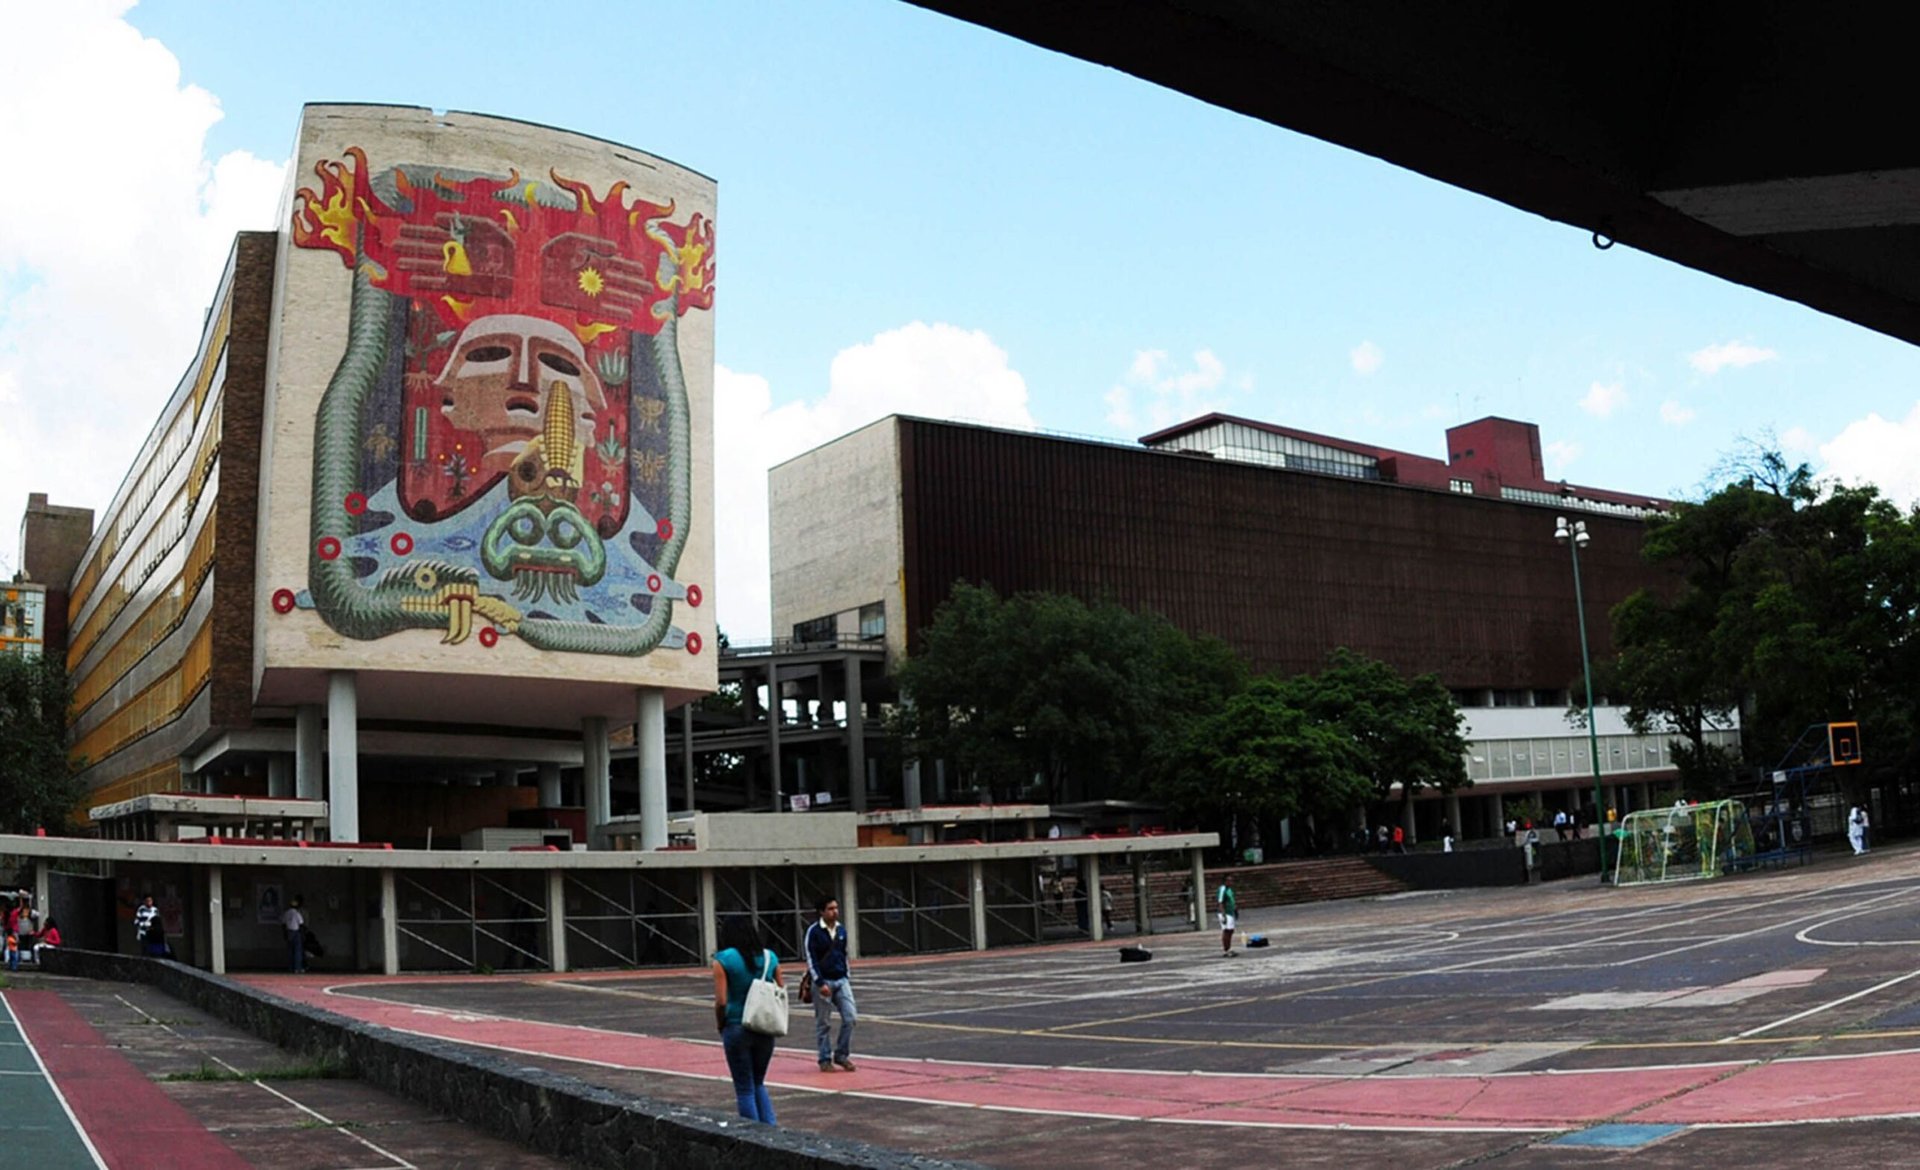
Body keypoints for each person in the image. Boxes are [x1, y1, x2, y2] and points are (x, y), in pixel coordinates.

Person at [711, 915, 780, 1123]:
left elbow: (721, 1001)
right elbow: (780, 989)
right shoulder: (769, 957)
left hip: (736, 1024)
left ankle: (752, 1134)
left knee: (744, 1088)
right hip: (764, 1025)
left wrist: (720, 1024)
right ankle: (771, 1129)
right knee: (759, 1082)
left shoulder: (723, 959)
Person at [805, 896, 857, 1073]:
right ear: (821, 912)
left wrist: (846, 975)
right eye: (830, 909)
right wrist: (819, 982)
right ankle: (824, 1058)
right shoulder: (814, 932)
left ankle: (841, 1054)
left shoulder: (841, 930)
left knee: (850, 1018)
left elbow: (844, 953)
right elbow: (811, 958)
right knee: (824, 1023)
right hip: (824, 981)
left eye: (836, 908)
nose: (835, 912)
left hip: (841, 979)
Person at [282, 895, 308, 973]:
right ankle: (297, 968)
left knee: (290, 951)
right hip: (296, 932)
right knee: (297, 951)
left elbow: (283, 924)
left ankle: (291, 967)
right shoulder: (297, 913)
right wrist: (302, 934)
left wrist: (285, 933)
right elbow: (301, 924)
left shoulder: (286, 913)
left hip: (288, 931)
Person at [1217, 878, 1238, 957]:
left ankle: (1229, 947)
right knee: (1226, 930)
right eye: (1229, 881)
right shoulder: (1223, 889)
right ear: (1225, 881)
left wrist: (1235, 909)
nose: (1231, 882)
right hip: (1225, 913)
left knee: (1231, 930)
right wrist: (1223, 915)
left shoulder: (1230, 889)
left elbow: (1232, 900)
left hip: (1230, 912)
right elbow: (1220, 902)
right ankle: (1226, 950)